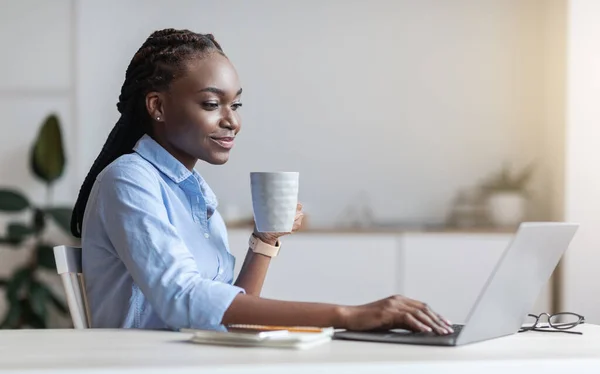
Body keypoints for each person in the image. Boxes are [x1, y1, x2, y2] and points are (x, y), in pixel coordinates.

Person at [71, 28, 454, 335]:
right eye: (211, 104)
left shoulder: (193, 190)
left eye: (235, 104)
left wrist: (265, 240)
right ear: (157, 106)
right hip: (143, 371)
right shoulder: (128, 180)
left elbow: (229, 315)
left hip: (193, 365)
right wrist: (347, 315)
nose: (232, 120)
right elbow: (182, 300)